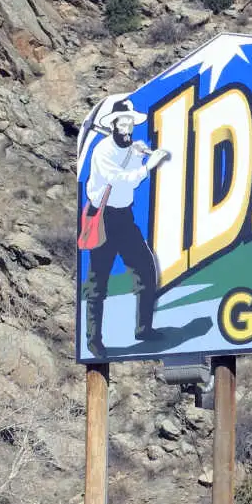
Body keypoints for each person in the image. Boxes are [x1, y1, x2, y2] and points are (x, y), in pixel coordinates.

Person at [79, 97, 172, 358]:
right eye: (123, 124)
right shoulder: (102, 152)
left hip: (125, 218)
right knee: (99, 281)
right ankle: (93, 340)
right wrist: (148, 167)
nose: (128, 129)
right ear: (113, 125)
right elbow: (120, 181)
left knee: (146, 267)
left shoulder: (130, 148)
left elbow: (130, 169)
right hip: (104, 219)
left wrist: (142, 154)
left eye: (130, 124)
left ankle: (144, 329)